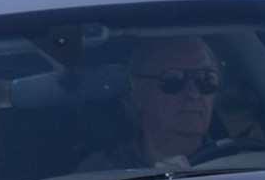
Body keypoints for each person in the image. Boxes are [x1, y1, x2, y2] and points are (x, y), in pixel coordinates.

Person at [81, 33, 226, 170]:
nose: (193, 93)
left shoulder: (240, 163)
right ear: (137, 94)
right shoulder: (102, 172)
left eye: (206, 79)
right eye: (173, 80)